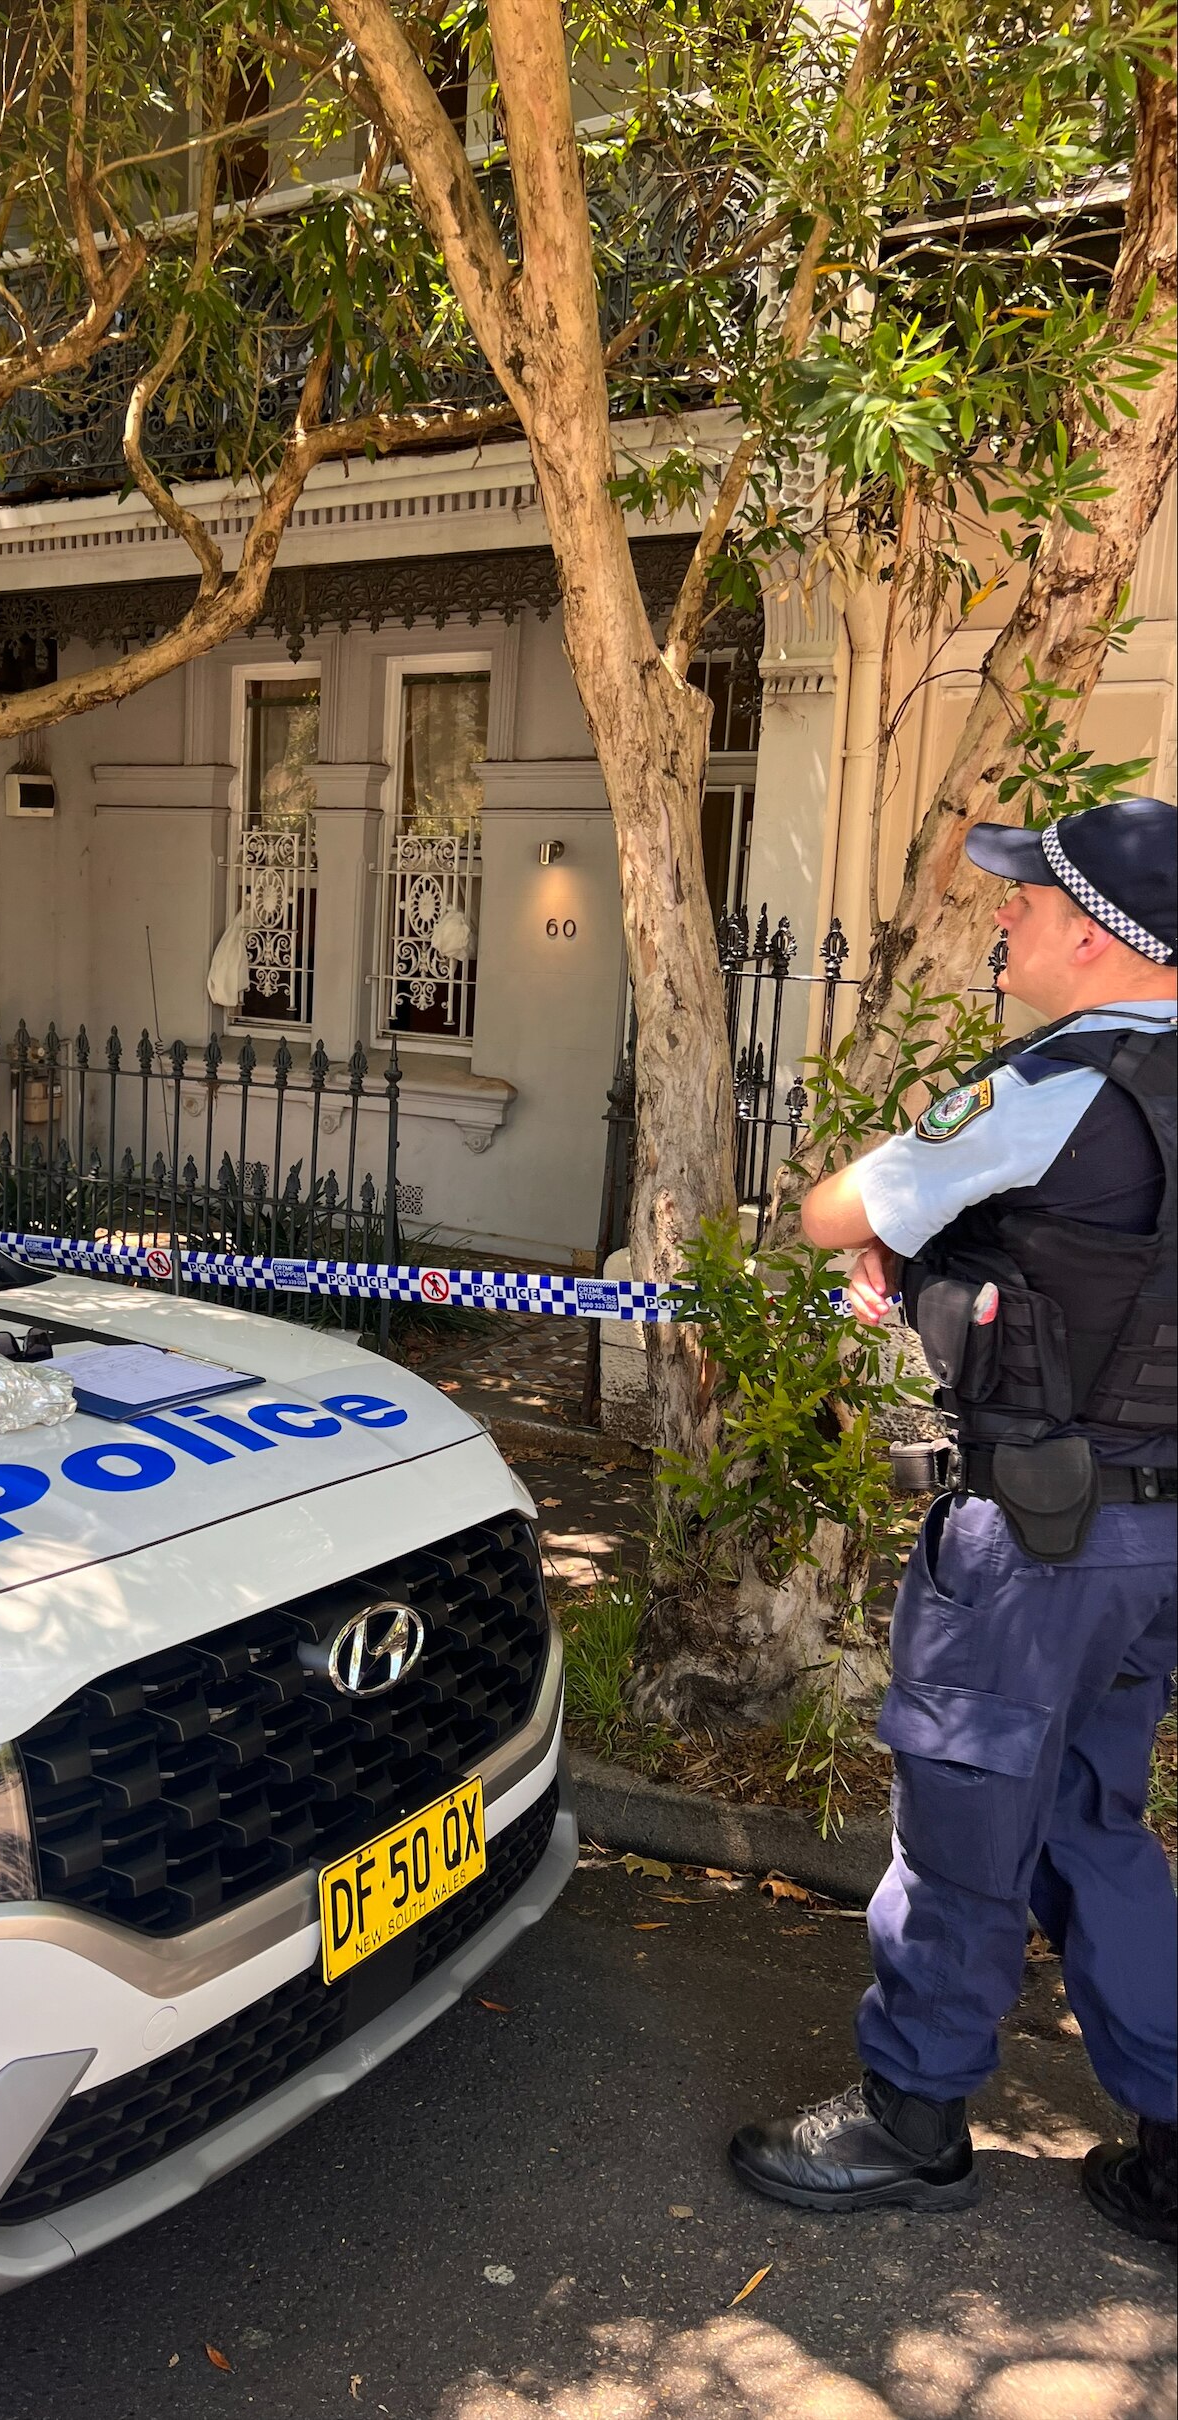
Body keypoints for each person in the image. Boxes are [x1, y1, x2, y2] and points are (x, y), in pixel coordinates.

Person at [728, 793, 1177, 2243]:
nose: (1004, 920)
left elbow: (825, 1209)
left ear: (1110, 940)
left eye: (1027, 903)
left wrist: (887, 1226)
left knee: (966, 1823)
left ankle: (913, 2117)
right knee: (1098, 1821)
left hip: (1035, 1540)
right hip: (1153, 1540)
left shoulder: (1058, 1084)